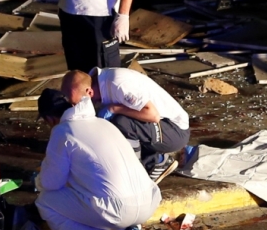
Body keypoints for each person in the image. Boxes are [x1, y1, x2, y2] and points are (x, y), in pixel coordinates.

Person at [34, 88, 161, 230]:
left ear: (49, 118)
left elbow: (51, 183)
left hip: (116, 211)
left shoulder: (63, 131)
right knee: (103, 187)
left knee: (45, 202)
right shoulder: (103, 123)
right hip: (148, 203)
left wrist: (38, 181)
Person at [61, 67, 190, 184]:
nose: (75, 107)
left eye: (75, 103)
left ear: (89, 92)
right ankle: (157, 161)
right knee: (109, 124)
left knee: (123, 122)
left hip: (175, 131)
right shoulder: (96, 83)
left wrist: (114, 108)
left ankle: (137, 176)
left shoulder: (118, 85)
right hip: (161, 126)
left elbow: (153, 115)